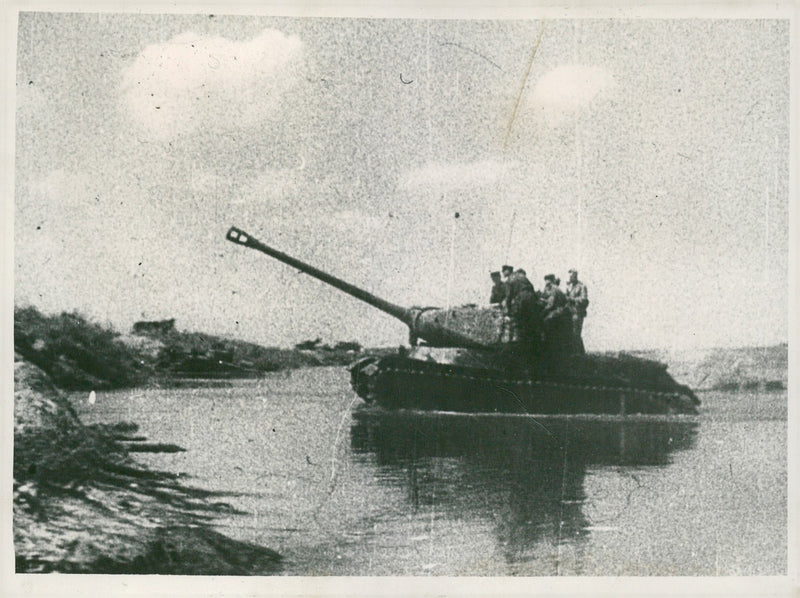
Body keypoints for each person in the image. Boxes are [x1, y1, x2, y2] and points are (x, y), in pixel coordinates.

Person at [506, 268, 541, 348]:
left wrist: (508, 311)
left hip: (522, 298)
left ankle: (521, 345)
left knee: (520, 321)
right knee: (531, 322)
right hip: (531, 298)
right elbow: (532, 289)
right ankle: (536, 345)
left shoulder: (510, 279)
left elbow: (508, 297)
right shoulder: (524, 277)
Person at [541, 273, 572, 360]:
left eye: (548, 281)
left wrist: (542, 312)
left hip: (557, 313)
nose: (546, 283)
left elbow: (550, 305)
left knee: (545, 323)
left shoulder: (554, 289)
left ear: (551, 281)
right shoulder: (555, 289)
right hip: (561, 313)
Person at [565, 269, 589, 355]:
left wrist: (571, 299)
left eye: (571, 276)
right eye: (569, 276)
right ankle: (579, 354)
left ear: (575, 276)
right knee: (572, 333)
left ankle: (578, 354)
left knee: (576, 333)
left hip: (577, 313)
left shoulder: (581, 286)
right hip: (569, 312)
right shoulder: (569, 286)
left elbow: (584, 299)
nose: (570, 278)